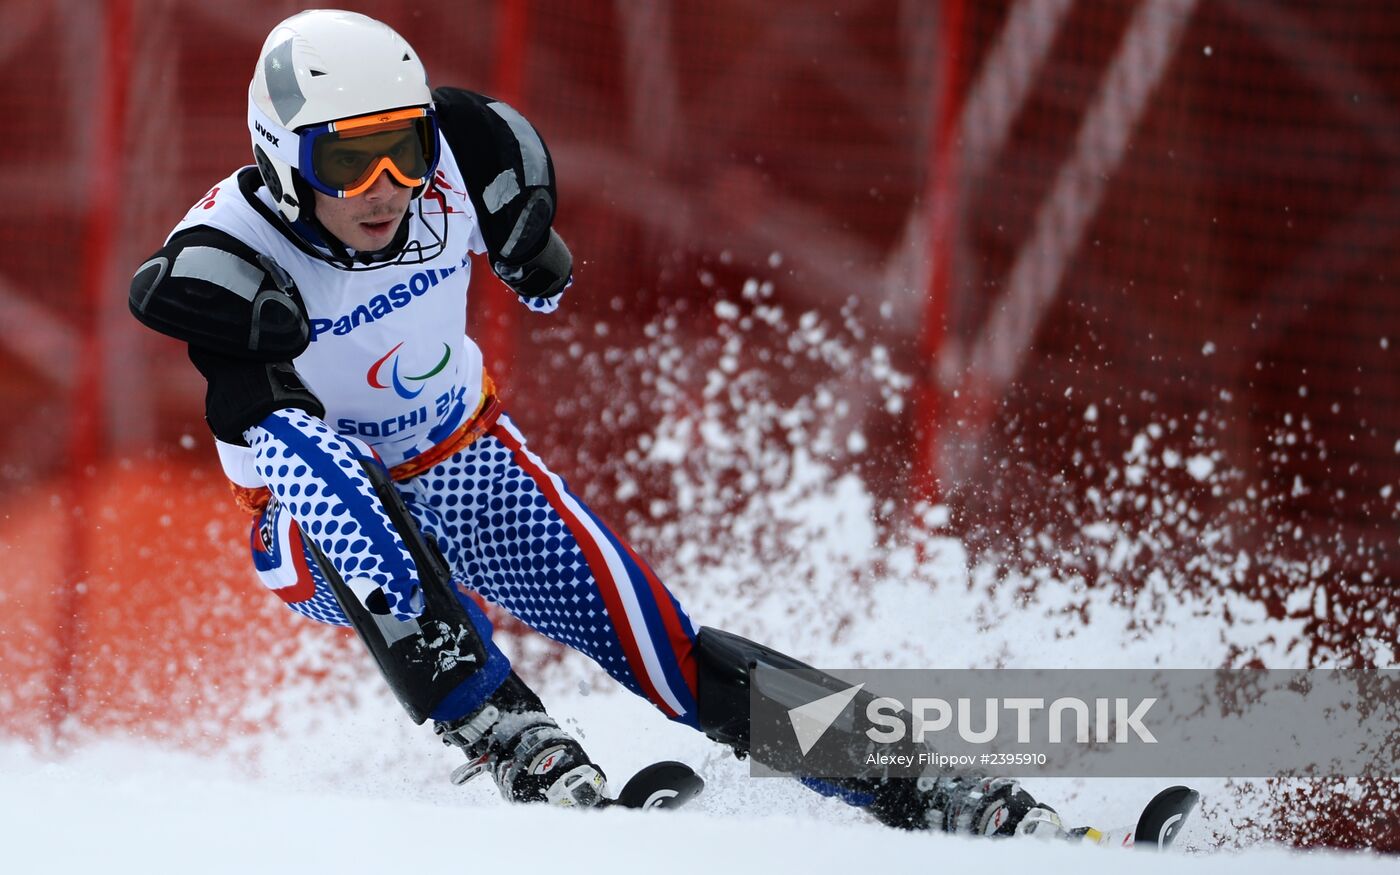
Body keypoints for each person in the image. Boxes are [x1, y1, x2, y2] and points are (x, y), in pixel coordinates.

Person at [128, 8, 1071, 837]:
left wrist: (525, 241)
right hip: (310, 529)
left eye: (401, 150)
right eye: (345, 158)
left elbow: (503, 179)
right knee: (331, 466)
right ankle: (498, 722)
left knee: (668, 651)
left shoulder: (458, 158)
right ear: (278, 155)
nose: (383, 185)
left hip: (465, 463)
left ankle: (913, 779)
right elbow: (269, 432)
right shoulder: (229, 255)